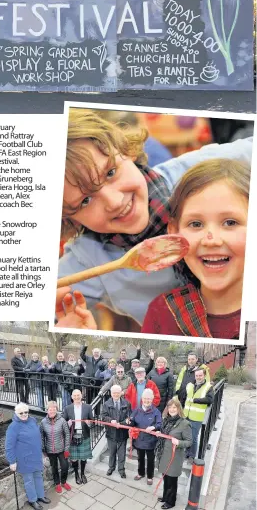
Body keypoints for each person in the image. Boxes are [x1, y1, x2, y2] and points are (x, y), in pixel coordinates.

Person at [55, 110, 252, 331]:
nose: (115, 202)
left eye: (110, 173)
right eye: (86, 200)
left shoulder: (198, 173)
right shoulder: (86, 261)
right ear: (68, 218)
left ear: (125, 151)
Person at [142, 159, 250, 339]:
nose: (211, 240)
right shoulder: (162, 313)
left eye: (230, 222)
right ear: (174, 233)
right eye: (196, 224)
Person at [5, 403, 51, 510]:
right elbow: (9, 446)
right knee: (29, 481)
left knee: (39, 476)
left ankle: (40, 496)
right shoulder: (13, 427)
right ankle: (33, 500)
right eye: (21, 413)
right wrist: (12, 461)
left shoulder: (33, 420)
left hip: (36, 456)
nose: (24, 414)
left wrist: (41, 452)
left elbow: (37, 437)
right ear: (16, 413)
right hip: (24, 459)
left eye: (26, 412)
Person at [155, 399, 193, 509]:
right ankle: (165, 496)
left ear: (178, 409)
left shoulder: (185, 424)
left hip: (174, 456)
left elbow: (189, 441)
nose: (172, 409)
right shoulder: (166, 420)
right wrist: (159, 433)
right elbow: (165, 434)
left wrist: (179, 442)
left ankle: (170, 502)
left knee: (171, 479)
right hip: (163, 453)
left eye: (174, 407)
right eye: (170, 407)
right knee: (165, 476)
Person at [127, 388, 162, 485]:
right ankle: (141, 473)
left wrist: (153, 427)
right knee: (140, 458)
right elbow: (132, 421)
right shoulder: (137, 410)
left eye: (149, 399)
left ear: (152, 399)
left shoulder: (156, 411)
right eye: (145, 398)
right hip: (139, 440)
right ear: (142, 399)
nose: (147, 401)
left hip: (151, 441)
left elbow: (160, 424)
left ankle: (150, 476)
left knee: (150, 460)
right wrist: (129, 422)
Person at [63, 389, 94, 484]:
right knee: (74, 458)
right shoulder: (67, 408)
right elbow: (64, 423)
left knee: (84, 457)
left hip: (84, 434)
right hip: (73, 435)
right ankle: (76, 474)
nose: (76, 397)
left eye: (78, 395)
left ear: (81, 396)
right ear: (72, 397)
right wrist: (67, 424)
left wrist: (89, 423)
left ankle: (83, 474)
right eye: (75, 396)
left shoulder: (88, 407)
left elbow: (92, 422)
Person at [40, 401, 71, 494]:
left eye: (54, 409)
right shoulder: (43, 422)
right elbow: (41, 436)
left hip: (61, 449)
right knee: (54, 468)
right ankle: (57, 483)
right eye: (50, 409)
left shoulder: (62, 421)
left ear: (56, 410)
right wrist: (43, 449)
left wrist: (66, 449)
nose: (52, 411)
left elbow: (67, 435)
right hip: (50, 450)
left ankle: (63, 482)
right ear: (47, 410)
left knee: (65, 466)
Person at [183, 368, 214, 462]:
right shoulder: (190, 385)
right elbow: (184, 397)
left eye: (200, 375)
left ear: (204, 375)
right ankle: (187, 452)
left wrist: (195, 400)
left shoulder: (208, 386)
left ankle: (192, 455)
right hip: (186, 415)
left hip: (197, 416)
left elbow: (210, 400)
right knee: (187, 436)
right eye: (197, 375)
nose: (198, 377)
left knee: (193, 437)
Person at [101, 385, 131, 478]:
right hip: (111, 433)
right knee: (112, 452)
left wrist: (123, 423)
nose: (116, 394)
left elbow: (129, 418)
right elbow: (103, 416)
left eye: (118, 392)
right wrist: (111, 421)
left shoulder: (127, 403)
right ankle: (111, 467)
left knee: (122, 453)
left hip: (122, 433)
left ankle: (121, 470)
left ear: (121, 392)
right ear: (111, 393)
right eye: (114, 392)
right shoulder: (106, 404)